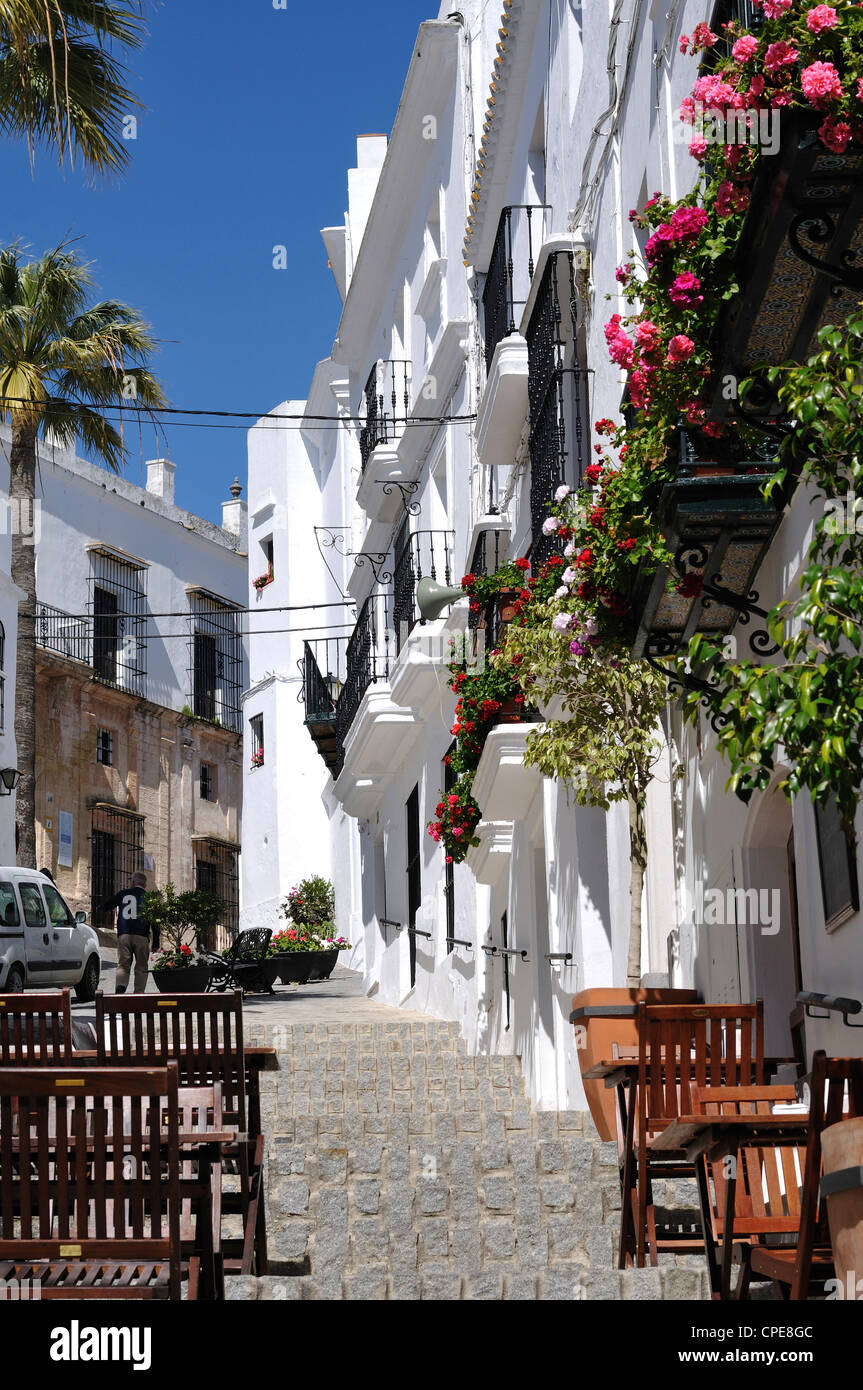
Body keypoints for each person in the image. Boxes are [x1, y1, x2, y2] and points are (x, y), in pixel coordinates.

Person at [97, 871, 159, 994]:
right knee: (141, 967)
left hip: (124, 935)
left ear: (133, 882)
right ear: (145, 885)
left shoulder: (123, 894)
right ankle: (138, 993)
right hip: (141, 936)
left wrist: (100, 908)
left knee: (123, 965)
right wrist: (155, 942)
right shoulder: (149, 898)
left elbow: (108, 905)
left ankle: (120, 988)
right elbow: (155, 923)